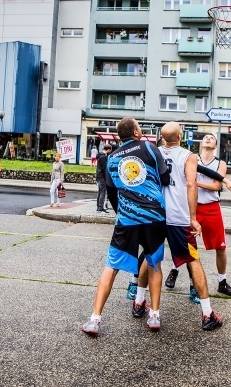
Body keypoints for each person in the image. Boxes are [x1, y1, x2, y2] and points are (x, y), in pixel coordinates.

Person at [81, 117, 169, 335]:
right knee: (154, 262)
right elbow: (165, 177)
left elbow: (111, 193)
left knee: (111, 266)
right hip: (154, 217)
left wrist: (123, 211)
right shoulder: (150, 147)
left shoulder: (111, 159)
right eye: (139, 127)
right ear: (137, 133)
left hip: (127, 219)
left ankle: (94, 319)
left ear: (120, 136)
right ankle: (155, 315)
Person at [148, 122, 224, 330]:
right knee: (193, 260)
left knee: (151, 258)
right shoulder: (188, 156)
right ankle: (207, 314)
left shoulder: (153, 153)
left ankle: (142, 304)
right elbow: (191, 184)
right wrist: (193, 217)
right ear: (181, 135)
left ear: (163, 138)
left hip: (155, 214)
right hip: (178, 217)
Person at [193, 132, 231, 298]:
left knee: (220, 247)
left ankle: (222, 282)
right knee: (187, 244)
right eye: (206, 137)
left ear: (215, 145)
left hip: (211, 207)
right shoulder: (193, 158)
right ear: (202, 142)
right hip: (193, 206)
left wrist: (194, 183)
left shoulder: (220, 163)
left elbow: (216, 186)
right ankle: (180, 275)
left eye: (212, 138)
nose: (208, 138)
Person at [95, 144, 112, 213]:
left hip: (98, 176)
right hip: (102, 177)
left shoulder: (99, 155)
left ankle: (98, 206)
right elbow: (104, 168)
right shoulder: (104, 157)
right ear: (108, 150)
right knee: (103, 192)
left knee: (99, 192)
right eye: (110, 150)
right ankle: (100, 208)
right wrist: (107, 177)